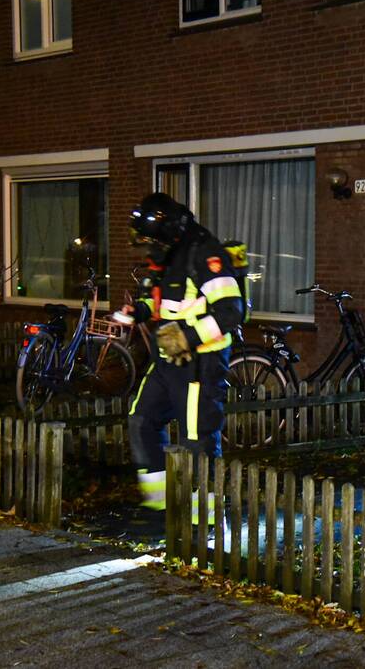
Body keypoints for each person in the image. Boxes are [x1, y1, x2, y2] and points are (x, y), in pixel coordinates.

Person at [122, 193, 244, 510]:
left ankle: (204, 520)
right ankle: (159, 507)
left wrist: (187, 339)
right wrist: (139, 310)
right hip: (166, 358)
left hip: (200, 363)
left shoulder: (206, 253)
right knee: (141, 420)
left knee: (198, 440)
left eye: (152, 241)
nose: (149, 249)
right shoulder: (169, 255)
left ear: (168, 234)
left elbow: (231, 312)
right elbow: (163, 300)